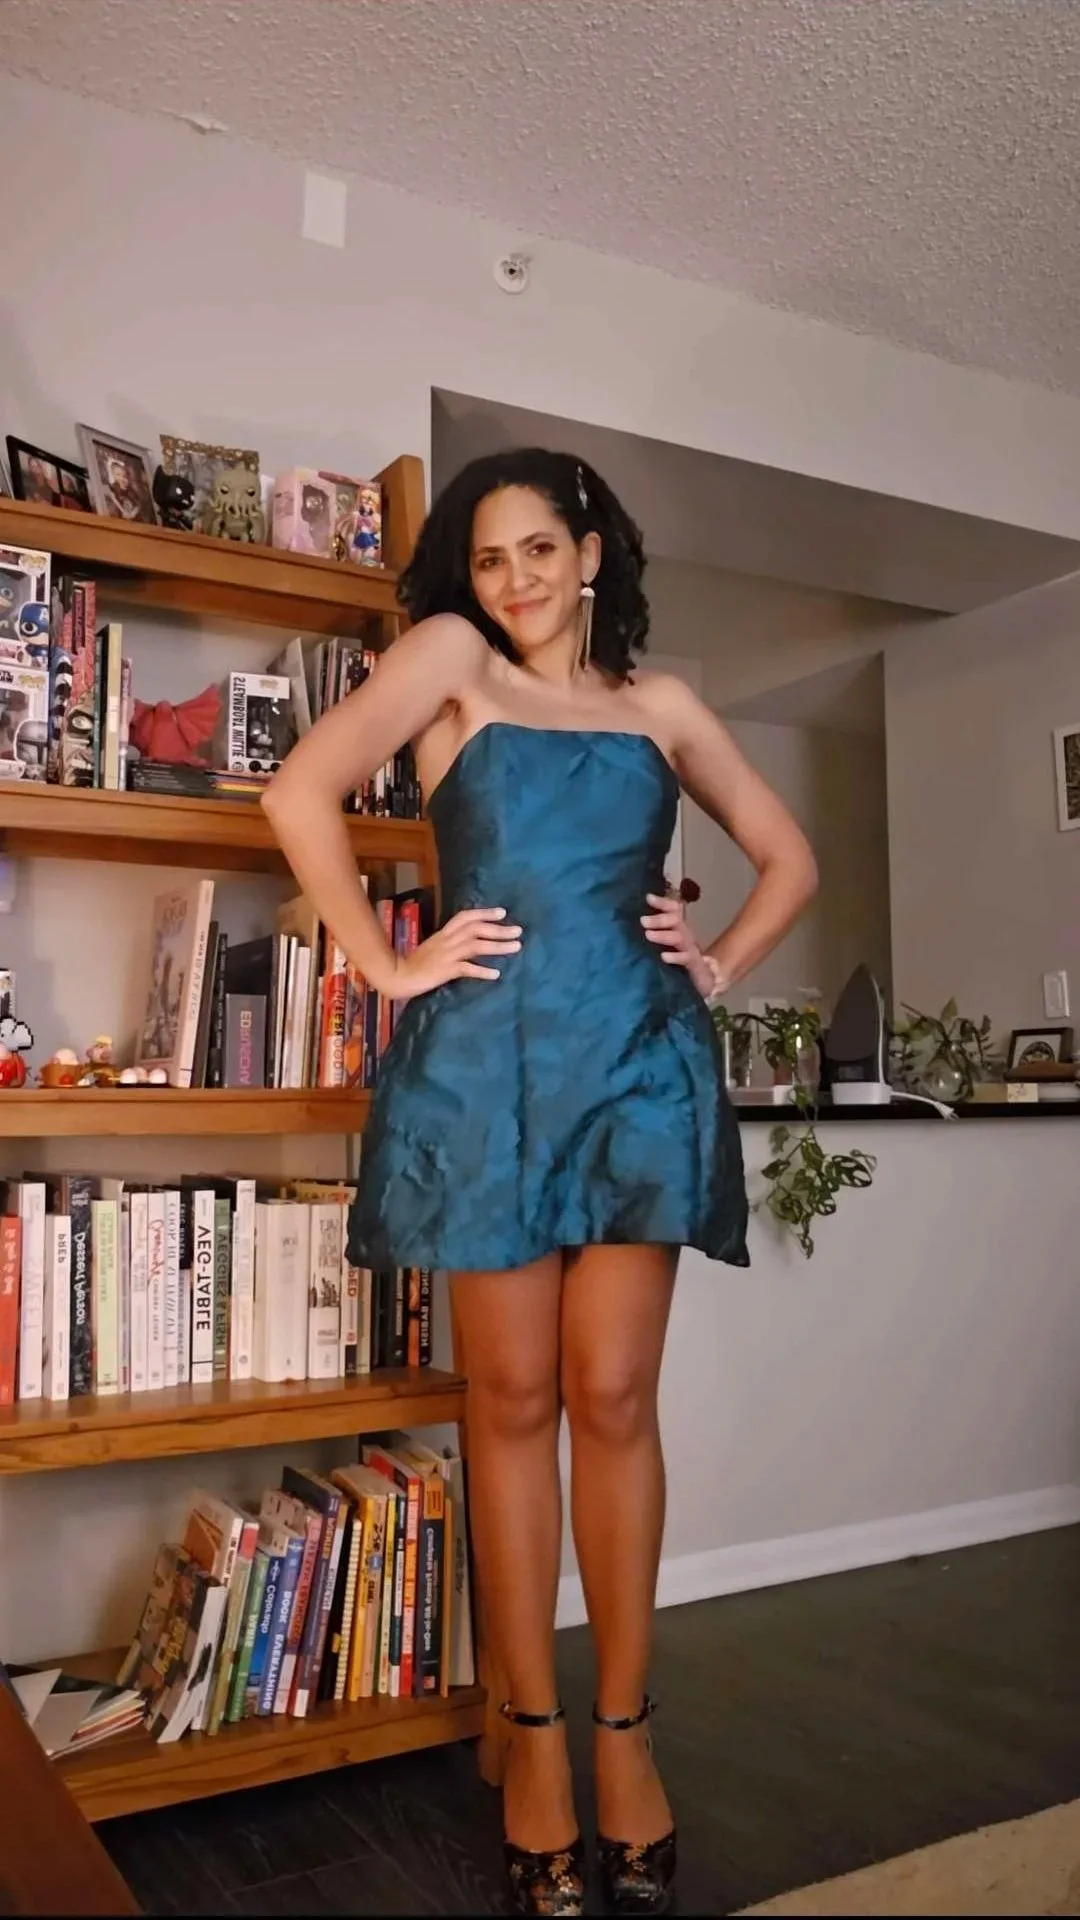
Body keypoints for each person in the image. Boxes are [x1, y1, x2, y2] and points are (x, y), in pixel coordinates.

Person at [262, 448, 817, 1917]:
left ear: (590, 553)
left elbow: (788, 857)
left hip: (639, 1067)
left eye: (536, 550)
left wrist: (719, 961)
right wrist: (386, 964)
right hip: (491, 1074)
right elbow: (300, 791)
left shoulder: (663, 706)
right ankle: (530, 1735)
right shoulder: (449, 660)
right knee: (507, 1405)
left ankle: (621, 1732)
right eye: (488, 555)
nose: (511, 578)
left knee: (614, 1399)